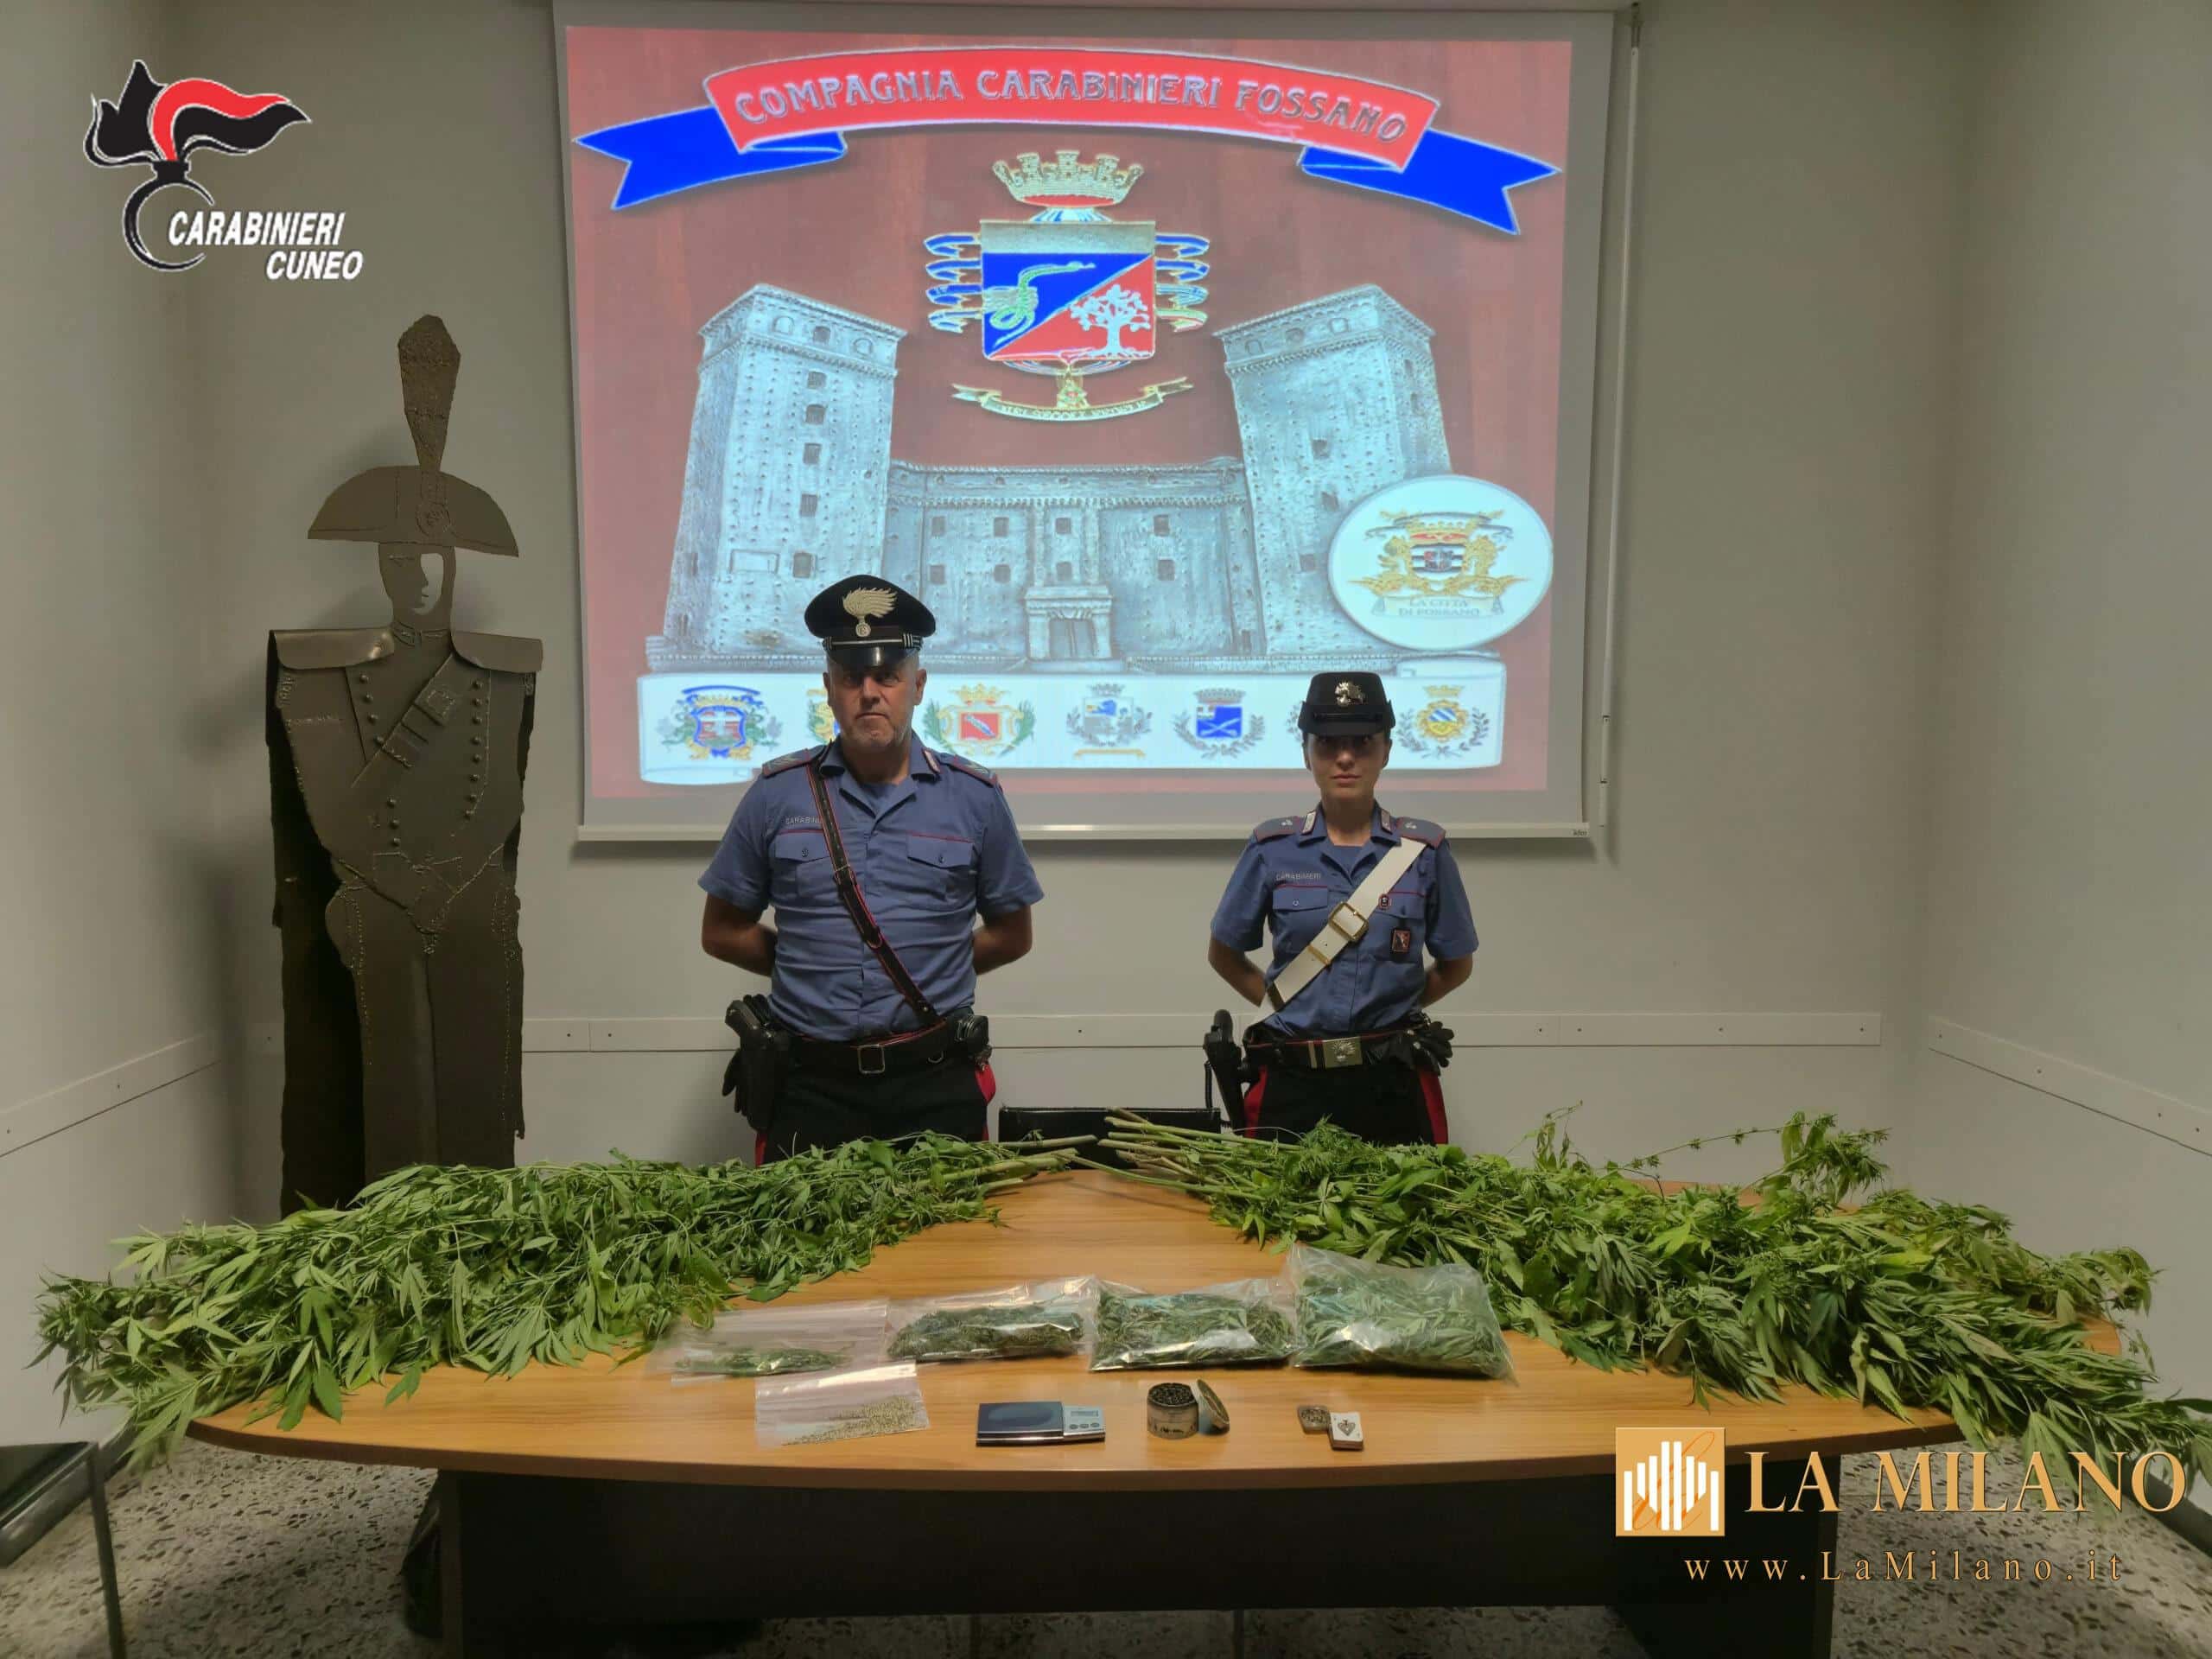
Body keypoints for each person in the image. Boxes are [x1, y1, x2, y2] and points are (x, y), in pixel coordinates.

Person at [699, 575, 1042, 1160]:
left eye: (887, 676)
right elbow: (722, 930)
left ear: (918, 686)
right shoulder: (777, 795)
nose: (870, 693)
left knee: (947, 1224)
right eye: (852, 677)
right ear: (829, 689)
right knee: (801, 1223)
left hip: (934, 1081)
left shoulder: (975, 798)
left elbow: (1013, 934)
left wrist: (933, 968)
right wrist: (809, 965)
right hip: (810, 1086)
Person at [1205, 672, 1476, 1144]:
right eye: (1328, 744)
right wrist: (1284, 1006)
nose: (1345, 758)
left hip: (1392, 1081)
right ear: (1306, 753)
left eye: (1362, 743)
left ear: (1386, 751)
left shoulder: (1425, 851)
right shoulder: (1272, 848)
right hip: (1293, 1080)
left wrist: (1394, 1011)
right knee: (1275, 1192)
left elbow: (1456, 965)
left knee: (1407, 1193)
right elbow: (1224, 954)